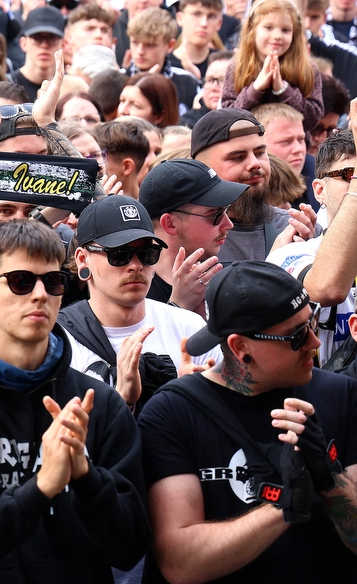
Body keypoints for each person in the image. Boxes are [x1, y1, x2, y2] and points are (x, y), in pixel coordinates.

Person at [0, 219, 150, 580]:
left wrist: (85, 477)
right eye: (20, 281)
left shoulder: (98, 405)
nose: (39, 295)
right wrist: (41, 488)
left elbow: (130, 548)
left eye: (52, 282)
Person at [138, 261, 357, 582]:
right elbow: (179, 563)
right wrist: (284, 507)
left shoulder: (343, 394)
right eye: (295, 336)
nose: (314, 343)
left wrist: (327, 479)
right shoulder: (172, 412)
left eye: (310, 323)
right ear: (240, 347)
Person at [60, 195, 223, 410]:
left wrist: (195, 397)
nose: (136, 265)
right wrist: (123, 400)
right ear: (82, 259)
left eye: (147, 253)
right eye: (119, 254)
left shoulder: (191, 329)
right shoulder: (59, 341)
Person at [267, 130, 357, 365]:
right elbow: (327, 289)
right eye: (350, 174)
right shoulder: (291, 253)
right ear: (319, 191)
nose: (355, 181)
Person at [191, 108, 317, 263]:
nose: (255, 164)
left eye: (259, 153)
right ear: (203, 167)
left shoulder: (294, 229)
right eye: (237, 157)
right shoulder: (186, 238)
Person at [139, 158, 248, 315]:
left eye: (226, 210)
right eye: (216, 215)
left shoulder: (229, 278)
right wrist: (179, 306)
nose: (228, 224)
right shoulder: (135, 291)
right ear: (169, 224)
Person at [221, 0, 324, 132]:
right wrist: (256, 89)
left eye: (285, 30)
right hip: (250, 147)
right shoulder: (237, 67)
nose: (277, 36)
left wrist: (283, 89)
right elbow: (228, 118)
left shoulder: (308, 69)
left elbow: (312, 119)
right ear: (252, 30)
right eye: (268, 27)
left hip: (293, 147)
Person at [124, 7, 200, 112]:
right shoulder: (117, 80)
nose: (140, 51)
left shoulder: (187, 82)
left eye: (150, 45)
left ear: (170, 45)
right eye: (135, 42)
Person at [8, 6, 65, 102]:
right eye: (37, 37)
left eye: (52, 38)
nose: (44, 45)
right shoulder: (6, 85)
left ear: (63, 44)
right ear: (23, 43)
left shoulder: (70, 88)